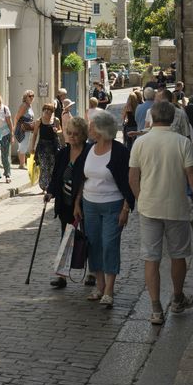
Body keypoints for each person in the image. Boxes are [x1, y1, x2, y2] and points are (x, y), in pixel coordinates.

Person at [128, 101, 193, 324]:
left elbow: (133, 177)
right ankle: (177, 298)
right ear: (173, 118)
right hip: (176, 207)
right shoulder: (182, 142)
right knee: (178, 255)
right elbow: (192, 175)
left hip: (149, 207)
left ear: (152, 117)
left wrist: (141, 198)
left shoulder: (140, 142)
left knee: (151, 257)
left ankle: (156, 308)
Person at [74, 110, 134, 308]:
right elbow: (82, 177)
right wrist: (77, 202)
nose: (89, 129)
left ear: (101, 130)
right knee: (94, 245)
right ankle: (99, 285)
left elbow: (129, 182)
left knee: (109, 244)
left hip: (113, 205)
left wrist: (126, 208)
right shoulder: (88, 149)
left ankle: (109, 289)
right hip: (89, 204)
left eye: (91, 126)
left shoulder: (120, 152)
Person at [44, 116, 89, 289]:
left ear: (83, 134)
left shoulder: (89, 152)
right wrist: (50, 192)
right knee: (65, 237)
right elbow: (56, 176)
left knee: (89, 236)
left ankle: (92, 272)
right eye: (69, 133)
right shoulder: (63, 153)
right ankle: (61, 275)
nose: (71, 136)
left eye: (75, 134)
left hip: (86, 202)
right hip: (65, 202)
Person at [30, 103, 61, 192]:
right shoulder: (39, 121)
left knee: (52, 167)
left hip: (53, 147)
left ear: (52, 112)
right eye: (45, 109)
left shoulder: (56, 120)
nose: (47, 111)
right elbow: (35, 134)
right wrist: (32, 147)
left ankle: (50, 186)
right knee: (44, 167)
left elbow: (60, 130)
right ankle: (44, 187)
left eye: (49, 110)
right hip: (42, 147)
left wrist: (57, 130)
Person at [14, 90, 35, 169]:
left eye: (33, 96)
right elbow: (17, 117)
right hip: (22, 128)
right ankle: (22, 164)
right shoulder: (24, 105)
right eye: (30, 96)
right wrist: (14, 127)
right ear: (25, 97)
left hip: (27, 128)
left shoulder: (29, 105)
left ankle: (22, 163)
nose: (31, 97)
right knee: (23, 145)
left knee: (23, 145)